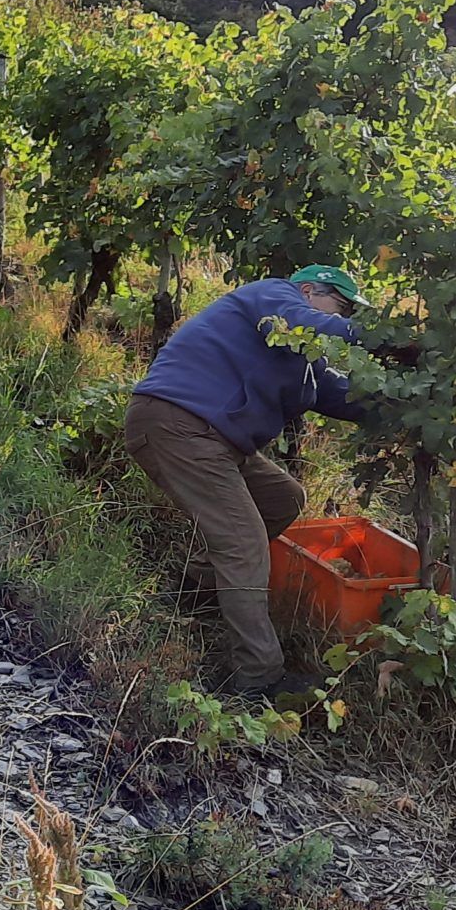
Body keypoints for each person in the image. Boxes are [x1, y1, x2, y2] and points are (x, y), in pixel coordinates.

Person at [126, 266, 373, 698]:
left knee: (284, 498)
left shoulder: (304, 358)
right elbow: (307, 323)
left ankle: (191, 591)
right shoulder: (272, 294)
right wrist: (372, 333)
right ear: (310, 290)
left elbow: (336, 394)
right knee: (243, 543)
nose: (345, 317)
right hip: (177, 423)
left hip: (215, 439)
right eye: (344, 306)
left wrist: (401, 405)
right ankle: (259, 678)